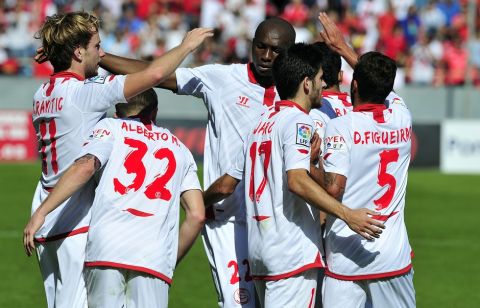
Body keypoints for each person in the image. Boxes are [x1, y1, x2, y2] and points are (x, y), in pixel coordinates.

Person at [98, 17, 297, 307]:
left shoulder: (298, 93)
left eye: (275, 51)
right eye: (260, 47)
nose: (266, 56)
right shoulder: (223, 79)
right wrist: (101, 58)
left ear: (290, 52)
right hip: (229, 222)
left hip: (280, 220)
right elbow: (154, 75)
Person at [27, 11, 212, 308]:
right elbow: (152, 76)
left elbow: (84, 72)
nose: (102, 55)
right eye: (98, 47)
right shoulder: (85, 94)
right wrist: (186, 47)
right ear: (78, 52)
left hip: (46, 213)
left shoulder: (42, 93)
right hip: (74, 218)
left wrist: (59, 51)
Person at [203, 43, 385, 308]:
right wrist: (348, 215)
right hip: (291, 253)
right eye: (322, 79)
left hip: (261, 252)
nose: (325, 85)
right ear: (307, 83)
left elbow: (227, 184)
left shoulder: (260, 123)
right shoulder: (300, 122)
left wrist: (195, 201)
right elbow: (296, 181)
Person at [318, 12, 415, 308]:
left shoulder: (341, 126)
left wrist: (309, 166)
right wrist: (345, 48)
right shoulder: (402, 115)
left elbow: (333, 189)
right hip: (391, 255)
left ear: (354, 86)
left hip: (346, 255)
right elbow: (379, 81)